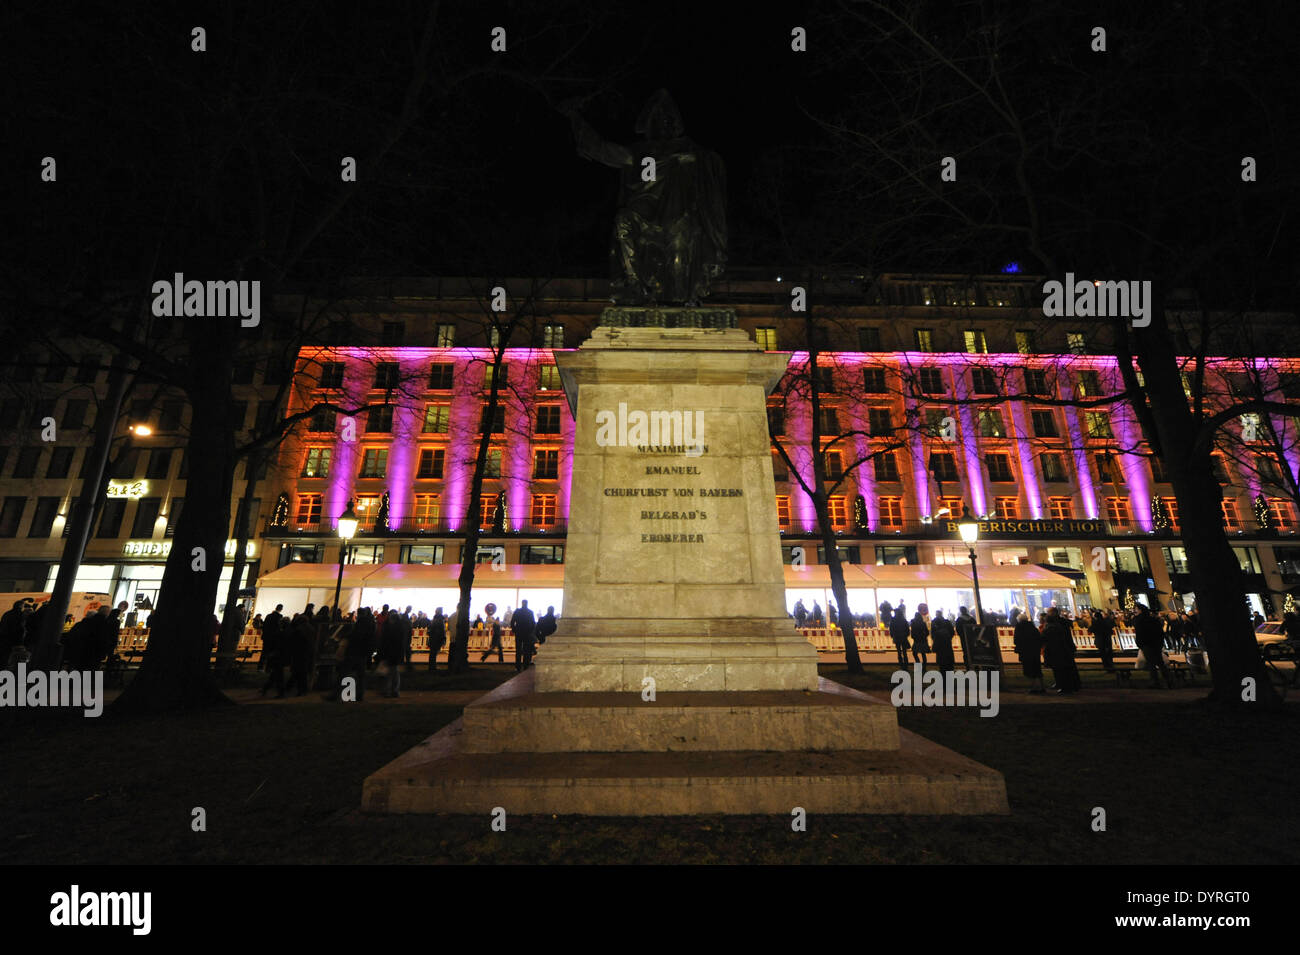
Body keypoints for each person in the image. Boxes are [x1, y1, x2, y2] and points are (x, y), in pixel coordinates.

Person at [337, 608, 375, 701]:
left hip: (355, 651)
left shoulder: (360, 624)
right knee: (360, 675)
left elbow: (356, 636)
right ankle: (358, 694)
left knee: (345, 672)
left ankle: (340, 693)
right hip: (362, 652)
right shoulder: (370, 623)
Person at [1043, 607, 1081, 694]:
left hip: (1062, 648)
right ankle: (1062, 683)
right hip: (1063, 647)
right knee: (1060, 667)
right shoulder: (1060, 622)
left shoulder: (1057, 623)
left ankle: (1069, 685)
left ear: (1053, 613)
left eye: (1048, 612)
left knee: (1064, 668)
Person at [1132, 603, 1170, 688]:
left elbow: (1140, 634)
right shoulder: (1154, 620)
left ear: (1140, 610)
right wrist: (1160, 643)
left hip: (1147, 645)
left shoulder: (1140, 621)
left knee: (1151, 663)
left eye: (1136, 609)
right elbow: (1160, 633)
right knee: (1160, 663)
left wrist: (1140, 644)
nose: (1134, 611)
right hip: (1155, 644)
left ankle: (1155, 682)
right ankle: (1168, 680)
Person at [288, 604, 317, 696]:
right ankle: (298, 688)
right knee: (301, 671)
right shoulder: (310, 628)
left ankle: (296, 688)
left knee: (299, 671)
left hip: (300, 652)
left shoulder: (299, 630)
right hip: (306, 652)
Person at [1013, 612, 1046, 693]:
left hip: (1025, 652)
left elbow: (1016, 640)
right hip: (1034, 651)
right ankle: (1042, 687)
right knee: (1037, 669)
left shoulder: (1019, 628)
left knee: (1029, 669)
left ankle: (1033, 687)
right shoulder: (1033, 627)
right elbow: (1039, 639)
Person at [378, 608, 405, 697]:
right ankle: (394, 691)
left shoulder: (389, 629)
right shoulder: (400, 629)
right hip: (395, 655)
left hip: (390, 654)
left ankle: (388, 690)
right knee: (394, 672)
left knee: (389, 673)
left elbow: (385, 642)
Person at [512, 599, 537, 671]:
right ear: (527, 604)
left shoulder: (517, 611)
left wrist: (514, 630)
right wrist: (531, 632)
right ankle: (525, 666)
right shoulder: (530, 612)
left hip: (519, 633)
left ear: (522, 603)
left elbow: (513, 621)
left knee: (518, 650)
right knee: (526, 650)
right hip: (527, 633)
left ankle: (518, 666)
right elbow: (533, 623)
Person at [259, 604, 284, 672]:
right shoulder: (279, 616)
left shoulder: (268, 616)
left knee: (264, 652)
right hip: (274, 638)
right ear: (281, 609)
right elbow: (279, 628)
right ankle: (268, 668)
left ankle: (260, 667)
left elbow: (264, 626)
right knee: (272, 653)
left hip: (266, 637)